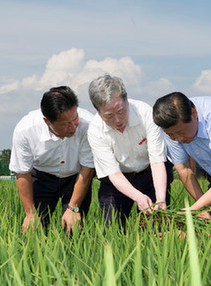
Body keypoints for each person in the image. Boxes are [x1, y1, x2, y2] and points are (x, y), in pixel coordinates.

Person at [87, 74, 172, 225]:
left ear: (127, 100)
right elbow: (114, 174)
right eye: (109, 116)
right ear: (98, 112)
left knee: (156, 227)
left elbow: (157, 161)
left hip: (150, 174)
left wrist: (160, 199)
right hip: (117, 179)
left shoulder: (145, 113)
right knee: (111, 229)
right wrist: (138, 196)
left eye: (121, 111)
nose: (118, 120)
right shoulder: (95, 130)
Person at [9, 86, 95, 233]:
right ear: (47, 121)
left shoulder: (89, 125)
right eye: (65, 124)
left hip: (76, 177)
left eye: (75, 118)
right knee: (35, 230)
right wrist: (30, 214)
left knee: (74, 229)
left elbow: (87, 168)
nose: (73, 126)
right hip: (42, 177)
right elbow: (22, 172)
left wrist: (73, 207)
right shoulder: (26, 130)